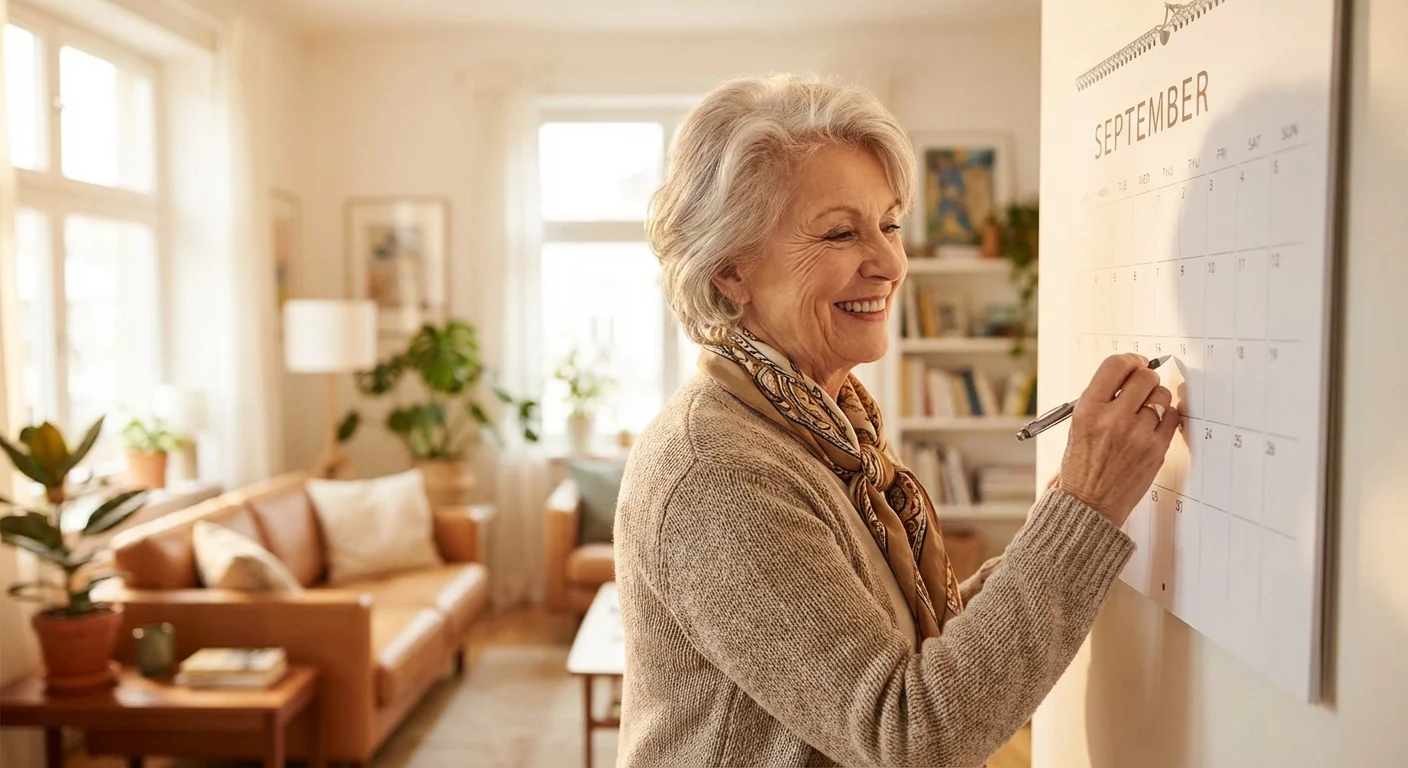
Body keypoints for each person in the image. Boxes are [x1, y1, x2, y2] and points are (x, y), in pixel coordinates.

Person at [612, 73, 1178, 768]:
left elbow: (903, 644)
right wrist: (1084, 509)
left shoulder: (823, 428)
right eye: (841, 233)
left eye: (889, 224)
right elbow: (906, 733)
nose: (889, 263)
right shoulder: (719, 473)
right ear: (730, 270)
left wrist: (1066, 518)